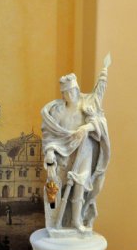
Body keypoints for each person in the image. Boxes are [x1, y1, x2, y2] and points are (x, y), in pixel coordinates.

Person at [42, 56, 111, 233]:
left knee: (80, 184)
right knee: (55, 186)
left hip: (84, 151)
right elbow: (50, 135)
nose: (71, 94)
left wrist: (87, 127)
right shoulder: (58, 111)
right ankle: (53, 219)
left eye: (73, 90)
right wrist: (49, 151)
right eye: (67, 92)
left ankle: (76, 220)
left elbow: (100, 117)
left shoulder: (86, 105)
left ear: (77, 89)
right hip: (62, 154)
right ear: (62, 94)